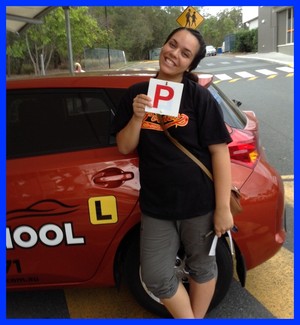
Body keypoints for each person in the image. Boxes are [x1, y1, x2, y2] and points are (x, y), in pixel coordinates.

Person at [112, 27, 234, 319]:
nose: (174, 54)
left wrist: (222, 208)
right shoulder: (136, 94)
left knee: (203, 267)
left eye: (185, 53)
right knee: (155, 275)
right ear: (163, 45)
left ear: (191, 64)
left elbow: (219, 152)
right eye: (172, 44)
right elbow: (124, 147)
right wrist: (138, 116)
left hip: (199, 203)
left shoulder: (200, 99)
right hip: (157, 206)